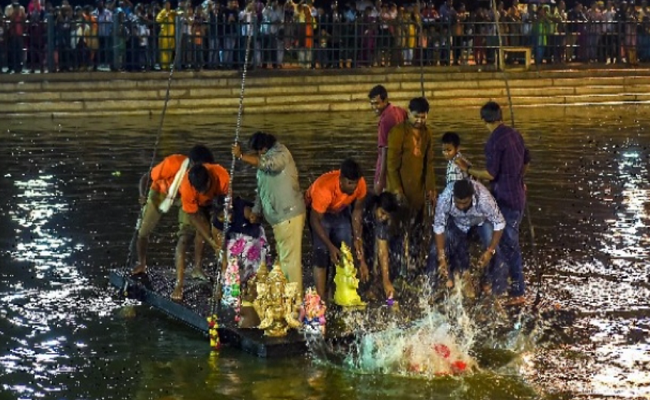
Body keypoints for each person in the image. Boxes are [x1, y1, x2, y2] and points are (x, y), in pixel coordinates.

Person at [455, 101, 531, 306]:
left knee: (508, 245)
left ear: (484, 120)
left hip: (505, 199)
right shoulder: (515, 135)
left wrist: (468, 169)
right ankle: (499, 286)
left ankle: (516, 292)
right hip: (518, 196)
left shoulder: (494, 141)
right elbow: (526, 162)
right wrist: (518, 180)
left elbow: (490, 173)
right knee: (505, 243)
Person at [231, 131, 306, 293]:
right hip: (279, 219)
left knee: (289, 262)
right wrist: (256, 211)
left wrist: (241, 156)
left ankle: (295, 302)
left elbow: (269, 164)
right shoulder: (264, 161)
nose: (258, 155)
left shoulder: (280, 154)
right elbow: (262, 190)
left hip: (289, 215)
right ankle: (283, 296)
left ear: (264, 148)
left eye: (259, 151)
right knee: (282, 260)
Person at [132, 145, 215, 278]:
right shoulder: (173, 163)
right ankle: (141, 263)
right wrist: (142, 195)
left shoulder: (204, 174)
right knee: (143, 231)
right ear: (191, 163)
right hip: (161, 193)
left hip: (184, 197)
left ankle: (197, 268)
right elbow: (146, 177)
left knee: (189, 232)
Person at [305, 158, 369, 301]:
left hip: (340, 210)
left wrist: (358, 238)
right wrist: (330, 246)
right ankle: (321, 299)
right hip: (319, 214)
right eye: (349, 183)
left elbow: (357, 212)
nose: (353, 187)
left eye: (355, 183)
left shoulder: (361, 184)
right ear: (340, 179)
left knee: (344, 252)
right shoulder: (324, 188)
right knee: (321, 253)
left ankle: (336, 293)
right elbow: (314, 220)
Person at [386, 96, 437, 273]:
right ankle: (396, 269)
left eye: (423, 117)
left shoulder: (427, 133)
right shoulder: (398, 133)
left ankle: (415, 267)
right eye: (416, 116)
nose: (419, 120)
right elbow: (391, 165)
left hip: (418, 192)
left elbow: (429, 164)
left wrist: (431, 189)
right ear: (408, 113)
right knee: (398, 232)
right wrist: (397, 190)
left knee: (417, 232)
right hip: (400, 191)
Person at [427, 179, 506, 293]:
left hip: (481, 221)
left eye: (465, 203)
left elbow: (499, 223)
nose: (461, 206)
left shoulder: (484, 199)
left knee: (494, 247)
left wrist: (490, 251)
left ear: (472, 196)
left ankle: (488, 281)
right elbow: (439, 226)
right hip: (456, 222)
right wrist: (441, 256)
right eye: (458, 202)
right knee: (435, 249)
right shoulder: (445, 198)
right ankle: (433, 287)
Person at [173, 162, 230, 301]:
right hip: (192, 208)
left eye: (205, 188)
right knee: (184, 239)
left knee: (219, 240)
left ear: (210, 179)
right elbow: (194, 217)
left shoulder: (222, 177)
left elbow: (225, 208)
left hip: (214, 204)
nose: (203, 192)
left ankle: (204, 273)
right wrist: (211, 241)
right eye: (200, 190)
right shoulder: (186, 187)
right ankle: (179, 283)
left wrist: (217, 240)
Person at [368, 84, 408, 195]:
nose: (374, 107)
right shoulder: (399, 111)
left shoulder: (385, 120)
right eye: (372, 104)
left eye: (377, 103)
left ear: (385, 100)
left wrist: (380, 180)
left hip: (388, 168)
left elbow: (385, 151)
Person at [363, 191, 400, 299]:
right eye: (382, 213)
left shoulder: (381, 222)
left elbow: (383, 251)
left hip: (368, 229)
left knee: (373, 259)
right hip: (355, 226)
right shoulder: (364, 206)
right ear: (376, 206)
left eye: (386, 216)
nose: (383, 217)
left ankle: (374, 289)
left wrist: (386, 280)